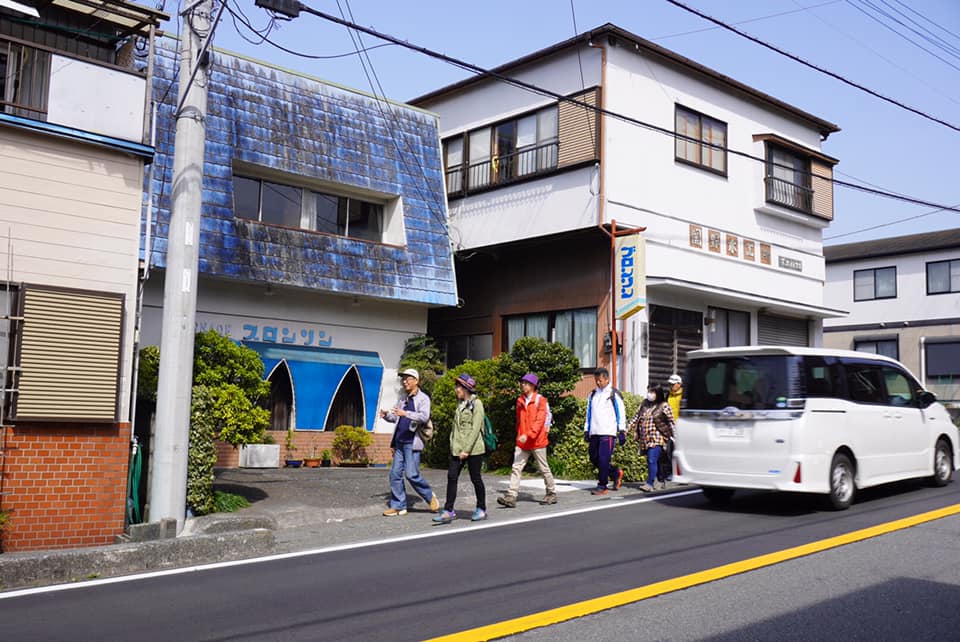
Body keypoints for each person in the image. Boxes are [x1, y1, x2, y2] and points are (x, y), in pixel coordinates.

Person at [380, 368, 440, 516]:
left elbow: (424, 416)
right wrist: (387, 415)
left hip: (412, 442)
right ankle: (399, 505)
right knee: (394, 474)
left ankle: (429, 496)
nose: (405, 381)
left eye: (408, 378)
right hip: (400, 441)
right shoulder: (403, 399)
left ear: (416, 381)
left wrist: (405, 413)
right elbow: (396, 418)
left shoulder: (423, 398)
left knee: (412, 474)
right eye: (403, 379)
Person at [433, 373, 488, 524]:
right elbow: (456, 429)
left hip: (474, 449)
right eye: (456, 386)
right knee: (452, 477)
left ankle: (481, 508)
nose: (456, 389)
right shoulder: (460, 405)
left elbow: (476, 428)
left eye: (458, 386)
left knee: (475, 478)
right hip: (457, 449)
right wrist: (453, 445)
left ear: (466, 388)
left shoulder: (477, 404)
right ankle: (448, 510)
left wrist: (467, 450)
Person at [497, 373, 557, 508]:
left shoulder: (540, 400)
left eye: (525, 383)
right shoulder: (519, 401)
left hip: (537, 441)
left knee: (543, 468)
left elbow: (539, 421)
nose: (522, 385)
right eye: (522, 383)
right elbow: (519, 421)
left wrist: (528, 434)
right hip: (523, 441)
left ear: (532, 386)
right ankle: (511, 496)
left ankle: (551, 493)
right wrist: (520, 435)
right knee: (516, 468)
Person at [584, 367, 627, 496]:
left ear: (607, 379)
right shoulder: (593, 394)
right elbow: (589, 413)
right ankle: (615, 472)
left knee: (603, 459)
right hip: (594, 431)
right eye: (596, 380)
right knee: (594, 458)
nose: (598, 383)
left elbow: (621, 413)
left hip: (608, 432)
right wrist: (587, 429)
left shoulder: (613, 394)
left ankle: (602, 485)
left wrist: (622, 430)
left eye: (600, 380)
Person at [631, 384, 676, 492]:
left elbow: (671, 422)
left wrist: (675, 437)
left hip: (658, 437)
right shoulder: (645, 404)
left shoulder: (664, 405)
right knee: (655, 460)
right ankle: (660, 480)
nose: (649, 394)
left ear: (658, 393)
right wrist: (627, 428)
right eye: (649, 391)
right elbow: (636, 417)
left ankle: (649, 483)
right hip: (645, 437)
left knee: (651, 459)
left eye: (652, 392)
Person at [663, 374, 683, 482]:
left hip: (681, 426)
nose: (671, 386)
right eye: (670, 384)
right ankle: (673, 472)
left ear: (679, 384)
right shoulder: (668, 395)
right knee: (671, 451)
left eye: (673, 384)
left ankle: (682, 473)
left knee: (680, 450)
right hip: (670, 427)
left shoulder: (684, 395)